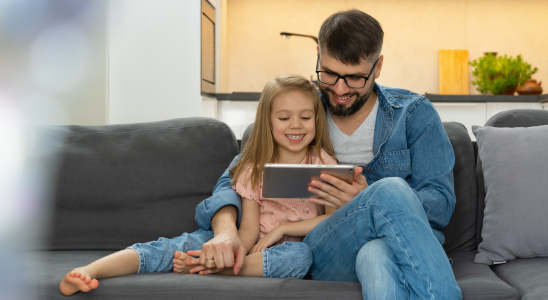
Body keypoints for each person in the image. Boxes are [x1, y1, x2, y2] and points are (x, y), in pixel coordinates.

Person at [188, 9, 462, 300]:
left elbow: (441, 204)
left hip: (400, 244)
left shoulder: (414, 114)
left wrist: (366, 196)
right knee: (390, 190)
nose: (340, 90)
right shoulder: (295, 113)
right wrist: (226, 231)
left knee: (376, 253)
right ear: (318, 55)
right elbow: (231, 182)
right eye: (329, 74)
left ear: (378, 66)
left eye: (355, 78)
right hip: (324, 249)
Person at [58, 75, 339, 296]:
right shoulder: (254, 168)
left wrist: (283, 229)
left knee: (300, 257)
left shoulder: (324, 164)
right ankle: (91, 269)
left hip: (289, 247)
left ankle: (216, 269)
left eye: (305, 117)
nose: (296, 125)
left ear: (317, 119)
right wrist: (231, 248)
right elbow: (249, 229)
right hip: (252, 245)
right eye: (284, 117)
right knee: (179, 245)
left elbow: (332, 219)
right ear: (268, 120)